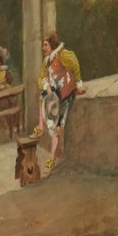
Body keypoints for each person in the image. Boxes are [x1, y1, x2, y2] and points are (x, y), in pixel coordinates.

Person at [37, 33, 81, 172]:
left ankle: (52, 159)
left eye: (45, 45)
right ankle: (40, 128)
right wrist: (46, 86)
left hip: (66, 93)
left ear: (52, 46)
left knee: (58, 128)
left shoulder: (63, 55)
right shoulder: (46, 61)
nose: (43, 48)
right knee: (42, 98)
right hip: (56, 93)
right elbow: (41, 78)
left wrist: (79, 84)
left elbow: (74, 63)